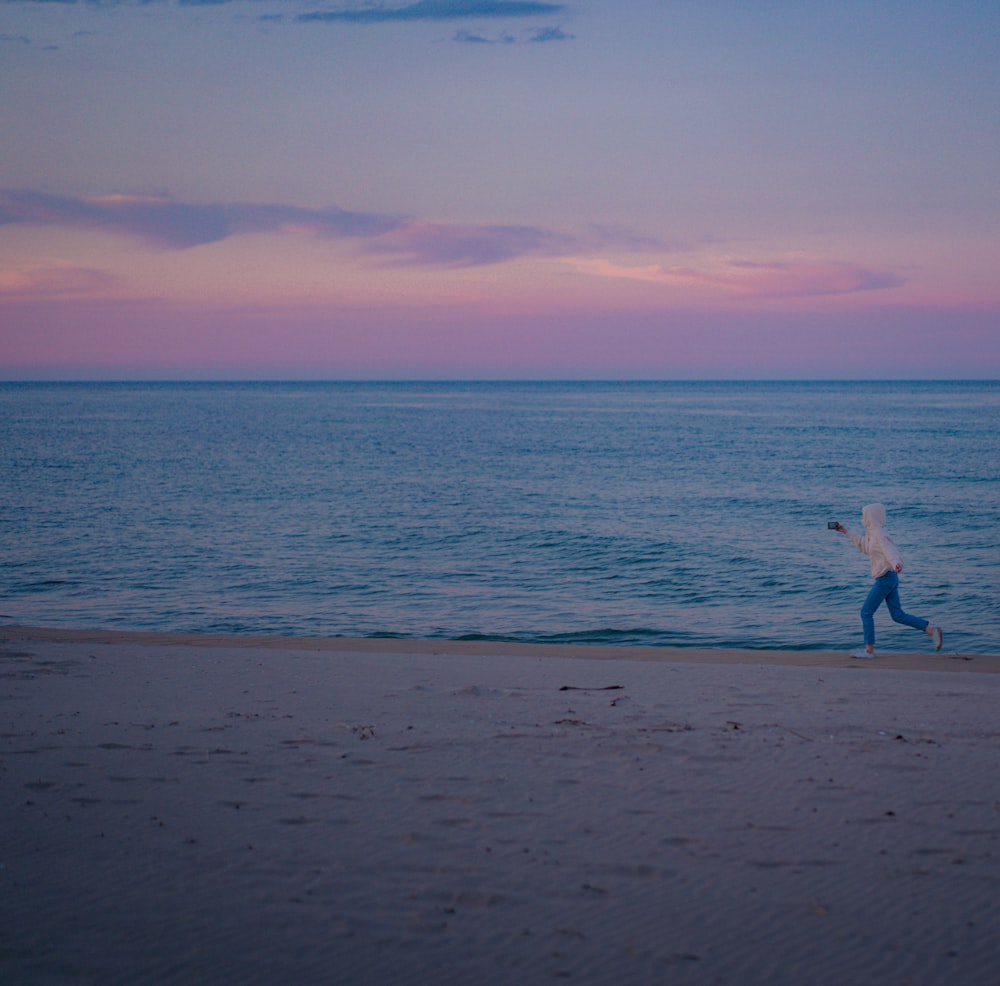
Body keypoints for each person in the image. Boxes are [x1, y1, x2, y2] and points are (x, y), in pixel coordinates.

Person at [834, 503, 943, 659]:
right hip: (889, 577)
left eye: (864, 515)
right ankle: (931, 630)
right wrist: (845, 532)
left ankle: (869, 651)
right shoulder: (872, 533)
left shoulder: (879, 534)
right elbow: (864, 546)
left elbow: (890, 550)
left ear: (870, 516)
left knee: (866, 612)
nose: (862, 518)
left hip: (885, 578)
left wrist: (896, 563)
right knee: (897, 615)